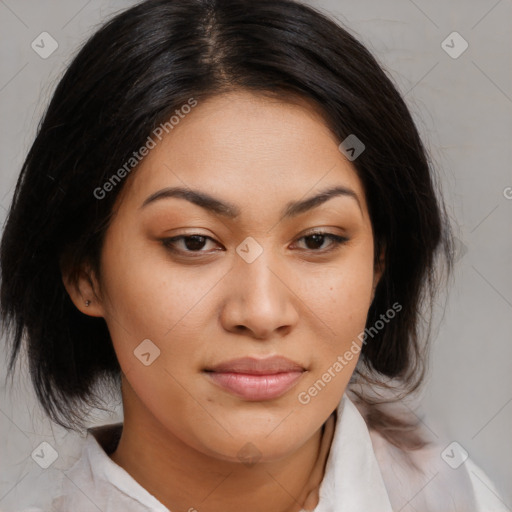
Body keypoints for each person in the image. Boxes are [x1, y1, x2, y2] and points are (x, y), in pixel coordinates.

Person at [0, 0, 507, 511]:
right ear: (84, 273)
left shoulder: (462, 498)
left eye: (317, 240)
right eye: (194, 242)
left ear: (380, 263)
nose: (262, 312)